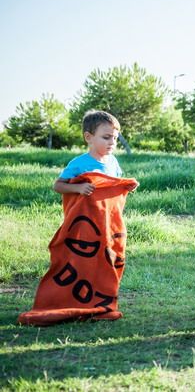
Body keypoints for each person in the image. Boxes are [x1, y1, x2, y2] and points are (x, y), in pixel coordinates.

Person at [18, 110, 138, 326]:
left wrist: (127, 186)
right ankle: (70, 299)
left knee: (108, 261)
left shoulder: (113, 162)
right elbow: (58, 185)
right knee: (82, 262)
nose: (112, 142)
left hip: (108, 226)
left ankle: (102, 298)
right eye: (106, 137)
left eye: (114, 137)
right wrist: (80, 187)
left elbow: (114, 187)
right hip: (84, 228)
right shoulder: (80, 163)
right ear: (88, 137)